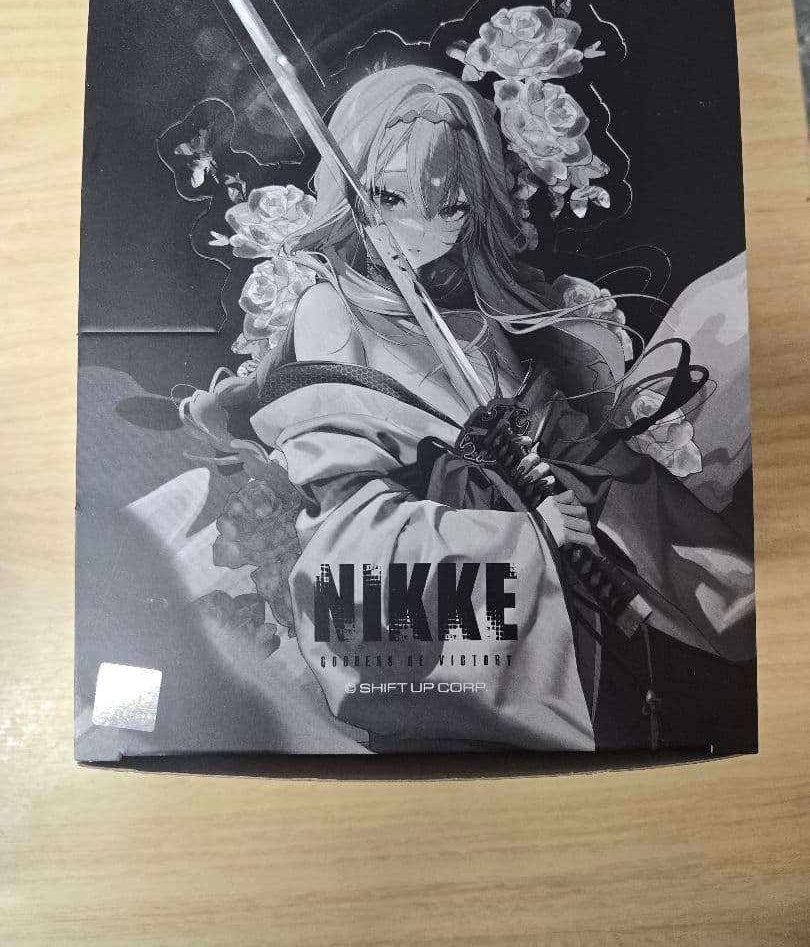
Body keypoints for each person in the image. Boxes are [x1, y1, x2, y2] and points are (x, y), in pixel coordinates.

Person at [179, 64, 756, 753]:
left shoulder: (465, 316)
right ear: (351, 189)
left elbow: (557, 433)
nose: (419, 228)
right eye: (390, 196)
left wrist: (567, 477)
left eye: (451, 205)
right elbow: (354, 531)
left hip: (577, 561)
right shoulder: (331, 307)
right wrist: (523, 533)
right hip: (457, 598)